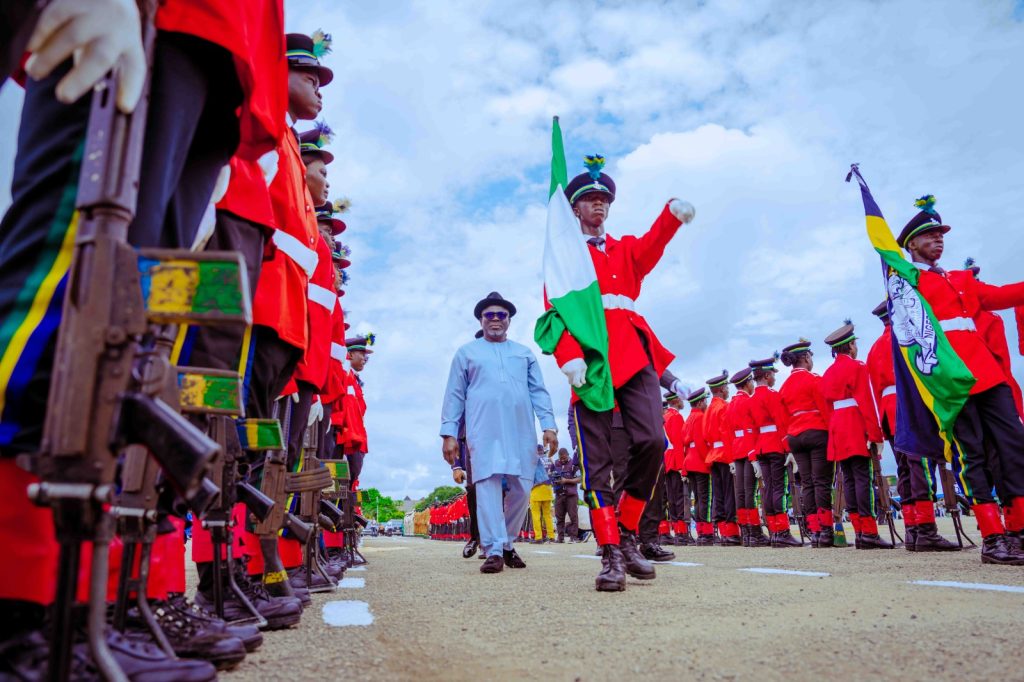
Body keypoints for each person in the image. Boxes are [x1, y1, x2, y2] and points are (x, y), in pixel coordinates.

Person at [544, 155, 694, 591]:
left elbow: (652, 245)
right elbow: (552, 313)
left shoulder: (625, 248)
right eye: (590, 199)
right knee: (597, 466)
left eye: (604, 199)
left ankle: (627, 532)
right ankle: (611, 552)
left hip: (632, 353)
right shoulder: (563, 258)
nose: (599, 204)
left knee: (653, 442)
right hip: (591, 362)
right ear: (574, 208)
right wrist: (569, 356)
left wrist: (670, 216)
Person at [897, 196, 1024, 564]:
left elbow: (1000, 296)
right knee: (972, 454)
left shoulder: (961, 278)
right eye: (930, 235)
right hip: (950, 377)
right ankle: (992, 537)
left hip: (988, 373)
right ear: (912, 244)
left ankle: (1018, 529)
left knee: (1013, 446)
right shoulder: (909, 281)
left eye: (941, 234)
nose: (939, 239)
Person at [440, 292, 557, 574]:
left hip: (521, 431)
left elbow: (538, 391)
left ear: (509, 320)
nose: (495, 319)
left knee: (522, 488)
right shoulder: (466, 353)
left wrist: (548, 425)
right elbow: (454, 395)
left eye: (501, 315)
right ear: (481, 320)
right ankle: (494, 550)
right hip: (483, 430)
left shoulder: (523, 353)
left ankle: (505, 542)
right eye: (489, 315)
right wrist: (449, 433)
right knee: (487, 487)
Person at [865, 300, 957, 552]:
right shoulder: (908, 338)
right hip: (910, 405)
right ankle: (926, 529)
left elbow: (874, 388)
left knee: (905, 469)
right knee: (922, 467)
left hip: (888, 411)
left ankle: (912, 529)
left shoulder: (874, 349)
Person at [820, 321, 891, 549]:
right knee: (862, 478)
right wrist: (875, 434)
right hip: (855, 424)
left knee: (849, 479)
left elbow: (827, 409)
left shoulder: (827, 373)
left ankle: (860, 531)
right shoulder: (858, 367)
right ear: (850, 346)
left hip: (838, 428)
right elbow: (867, 402)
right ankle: (869, 532)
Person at [778, 339, 835, 547]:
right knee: (821, 482)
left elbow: (783, 420)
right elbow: (826, 410)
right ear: (806, 358)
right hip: (816, 432)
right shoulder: (814, 379)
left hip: (795, 437)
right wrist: (834, 434)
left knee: (807, 484)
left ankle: (815, 531)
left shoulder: (784, 387)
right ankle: (826, 530)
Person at [749, 356, 801, 547]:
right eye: (772, 374)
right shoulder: (772, 395)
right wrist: (789, 449)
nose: (774, 378)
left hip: (761, 447)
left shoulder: (751, 399)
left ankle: (774, 531)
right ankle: (783, 531)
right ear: (767, 375)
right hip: (775, 445)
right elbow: (781, 422)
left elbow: (752, 429)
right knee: (779, 488)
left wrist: (753, 455)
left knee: (769, 489)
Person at [726, 368, 768, 547]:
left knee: (741, 493)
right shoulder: (747, 401)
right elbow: (750, 429)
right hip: (748, 448)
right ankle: (755, 531)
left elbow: (727, 433)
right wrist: (753, 456)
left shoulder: (731, 404)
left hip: (737, 450)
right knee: (750, 492)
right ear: (747, 383)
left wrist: (730, 458)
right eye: (751, 382)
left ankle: (746, 531)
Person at [703, 371, 741, 545]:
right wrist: (732, 458)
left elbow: (705, 435)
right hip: (725, 453)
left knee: (718, 494)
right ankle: (731, 532)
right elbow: (727, 433)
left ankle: (724, 532)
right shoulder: (724, 406)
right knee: (729, 494)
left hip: (713, 454)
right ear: (720, 389)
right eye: (726, 387)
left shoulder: (708, 410)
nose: (727, 390)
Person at [683, 388, 714, 545]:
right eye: (705, 401)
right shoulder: (700, 417)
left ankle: (702, 531)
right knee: (705, 498)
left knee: (698, 498)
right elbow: (701, 443)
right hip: (700, 462)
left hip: (690, 461)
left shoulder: (689, 418)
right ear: (700, 402)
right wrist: (709, 461)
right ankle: (706, 533)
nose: (706, 404)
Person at [551, 448, 581, 543]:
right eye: (561, 458)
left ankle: (573, 537)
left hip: (571, 495)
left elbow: (579, 479)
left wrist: (566, 480)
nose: (562, 460)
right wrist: (553, 479)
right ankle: (560, 538)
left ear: (568, 455)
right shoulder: (555, 463)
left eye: (564, 458)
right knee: (559, 517)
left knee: (573, 517)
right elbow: (550, 474)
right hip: (559, 494)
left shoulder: (574, 464)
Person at [529, 447, 557, 543]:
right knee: (548, 515)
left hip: (536, 490)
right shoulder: (549, 459)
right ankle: (551, 536)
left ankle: (538, 538)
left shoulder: (533, 460)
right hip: (548, 489)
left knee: (536, 515)